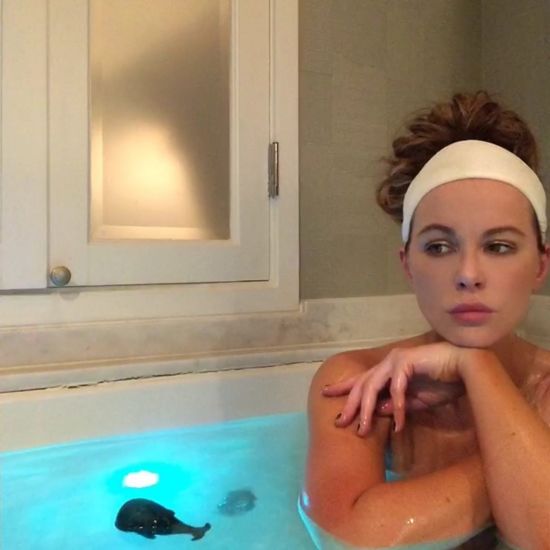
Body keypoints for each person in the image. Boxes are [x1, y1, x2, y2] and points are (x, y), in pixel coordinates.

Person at [300, 91, 550, 550]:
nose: (468, 274)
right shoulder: (358, 383)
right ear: (408, 265)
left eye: (498, 246)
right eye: (439, 247)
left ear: (540, 265)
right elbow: (345, 537)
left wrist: (474, 366)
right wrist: (526, 446)